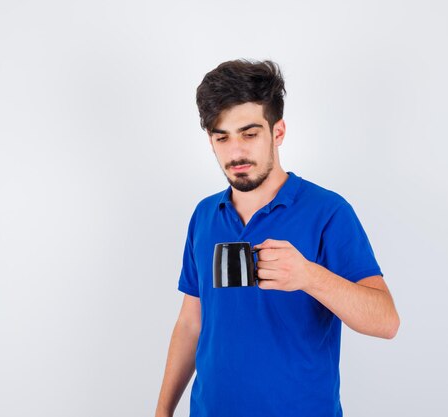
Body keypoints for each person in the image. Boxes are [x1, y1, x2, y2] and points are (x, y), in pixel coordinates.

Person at [155, 59, 400, 417]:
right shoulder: (205, 216)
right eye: (222, 137)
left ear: (278, 132)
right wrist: (162, 412)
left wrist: (309, 276)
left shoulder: (327, 211)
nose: (235, 152)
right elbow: (191, 322)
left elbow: (386, 321)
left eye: (249, 134)